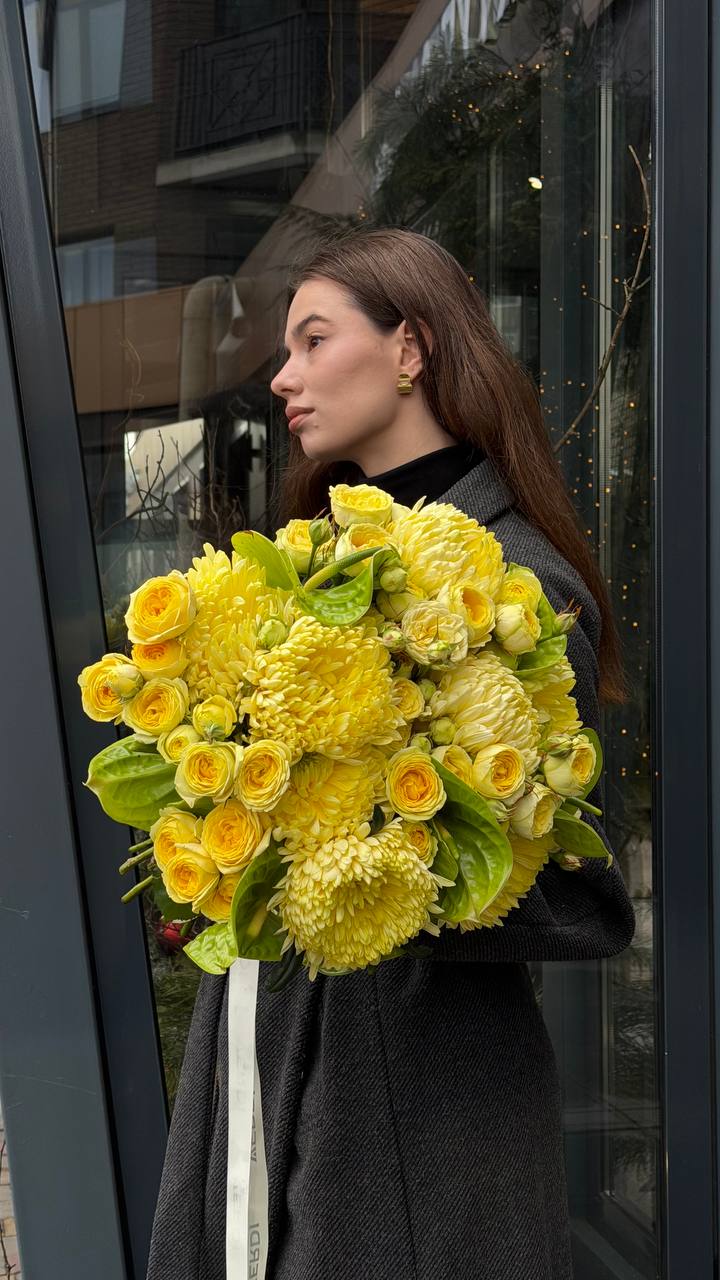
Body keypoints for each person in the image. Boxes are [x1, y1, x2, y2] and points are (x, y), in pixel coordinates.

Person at [146, 228, 635, 1280]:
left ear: (409, 348)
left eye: (313, 340)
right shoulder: (305, 565)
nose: (283, 377)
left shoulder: (517, 589)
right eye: (286, 350)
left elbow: (586, 895)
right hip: (271, 1049)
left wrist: (381, 867)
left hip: (417, 1106)